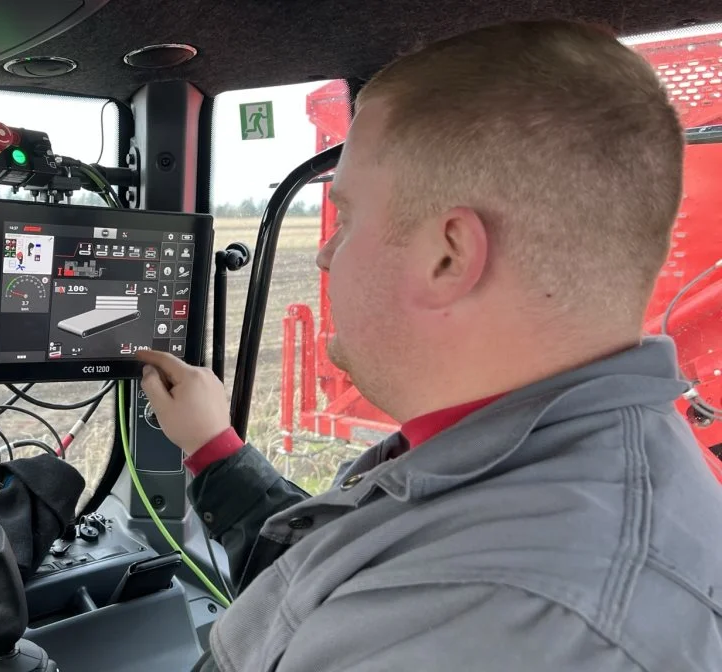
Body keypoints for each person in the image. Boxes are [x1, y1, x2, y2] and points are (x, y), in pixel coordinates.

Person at [136, 19, 722, 672]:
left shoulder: (512, 622)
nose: (327, 252)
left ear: (450, 256)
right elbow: (349, 577)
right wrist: (215, 450)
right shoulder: (531, 470)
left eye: (349, 214)